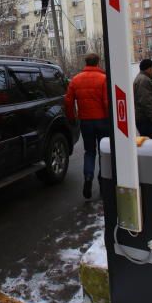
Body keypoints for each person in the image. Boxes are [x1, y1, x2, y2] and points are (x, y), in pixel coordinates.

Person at [64, 53, 109, 199]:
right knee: (104, 152)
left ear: (86, 63)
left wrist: (72, 117)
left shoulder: (76, 80)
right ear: (97, 63)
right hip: (102, 121)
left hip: (86, 121)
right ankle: (103, 181)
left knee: (89, 151)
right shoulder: (103, 79)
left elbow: (68, 101)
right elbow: (106, 102)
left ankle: (88, 178)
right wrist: (109, 119)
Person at [133, 58, 152, 139]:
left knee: (148, 144)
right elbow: (146, 101)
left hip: (144, 119)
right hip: (147, 120)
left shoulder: (143, 79)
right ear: (148, 69)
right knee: (150, 145)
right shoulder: (144, 80)